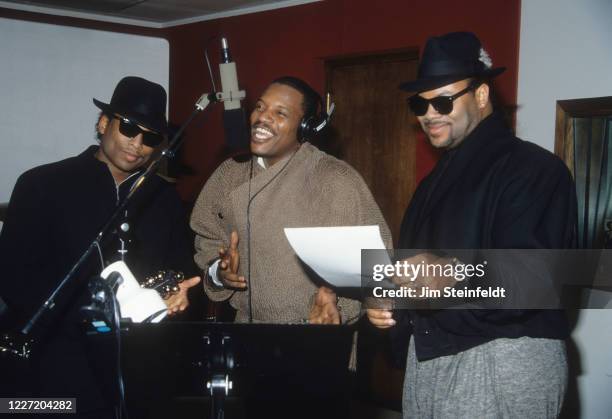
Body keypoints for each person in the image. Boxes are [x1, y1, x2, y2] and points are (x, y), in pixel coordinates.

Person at [367, 32, 576, 418]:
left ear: (480, 96)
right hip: (429, 358)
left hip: (501, 357)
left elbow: (534, 278)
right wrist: (390, 303)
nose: (428, 114)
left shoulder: (533, 169)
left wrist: (451, 273)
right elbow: (416, 275)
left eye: (442, 100)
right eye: (419, 103)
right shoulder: (430, 185)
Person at [0, 76, 200, 417]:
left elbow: (180, 266)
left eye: (150, 137)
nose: (137, 143)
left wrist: (178, 291)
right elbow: (12, 277)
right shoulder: (42, 184)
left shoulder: (163, 198)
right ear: (104, 123)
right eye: (129, 129)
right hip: (50, 367)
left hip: (133, 368)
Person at [191, 76, 392, 324]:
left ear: (306, 127)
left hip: (315, 336)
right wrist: (219, 272)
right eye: (260, 107)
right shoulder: (230, 173)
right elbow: (208, 239)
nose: (262, 118)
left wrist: (339, 306)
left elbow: (376, 265)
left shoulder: (337, 179)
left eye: (280, 113)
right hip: (245, 336)